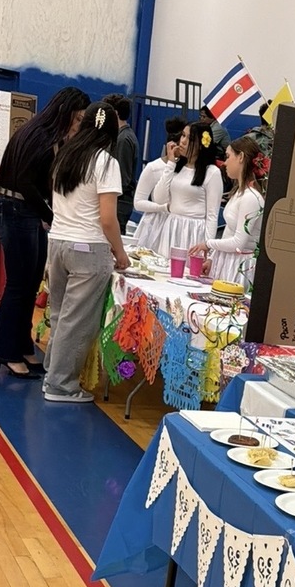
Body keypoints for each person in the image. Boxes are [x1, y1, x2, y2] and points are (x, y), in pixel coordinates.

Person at [0, 86, 90, 376]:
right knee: (19, 286)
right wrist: (51, 215)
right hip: (17, 211)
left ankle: (22, 346)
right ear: (66, 112)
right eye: (78, 118)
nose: (78, 124)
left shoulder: (47, 137)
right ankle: (7, 351)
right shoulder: (42, 137)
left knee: (30, 286)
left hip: (27, 214)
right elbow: (24, 181)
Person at [41, 101, 129, 403]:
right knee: (76, 320)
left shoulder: (66, 153)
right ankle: (61, 385)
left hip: (58, 242)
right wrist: (121, 253)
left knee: (60, 314)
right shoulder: (106, 162)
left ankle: (51, 374)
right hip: (88, 247)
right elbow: (107, 218)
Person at [188, 136, 266, 288]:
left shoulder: (251, 198)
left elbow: (238, 243)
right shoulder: (238, 192)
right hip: (227, 261)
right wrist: (212, 257)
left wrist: (208, 243)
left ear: (241, 157)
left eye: (228, 156)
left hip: (240, 267)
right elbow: (229, 232)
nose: (224, 163)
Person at [148, 121, 223, 256]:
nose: (182, 141)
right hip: (171, 225)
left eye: (190, 139)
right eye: (183, 135)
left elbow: (212, 215)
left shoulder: (212, 172)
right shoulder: (176, 167)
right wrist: (170, 163)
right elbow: (158, 199)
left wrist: (208, 247)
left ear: (201, 144)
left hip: (194, 231)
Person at [131, 116, 186, 254]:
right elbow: (138, 202)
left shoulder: (189, 169)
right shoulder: (154, 167)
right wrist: (162, 207)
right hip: (155, 224)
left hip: (178, 226)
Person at [103, 94, 138, 233]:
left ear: (115, 113)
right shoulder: (120, 136)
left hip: (119, 203)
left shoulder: (123, 139)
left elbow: (122, 177)